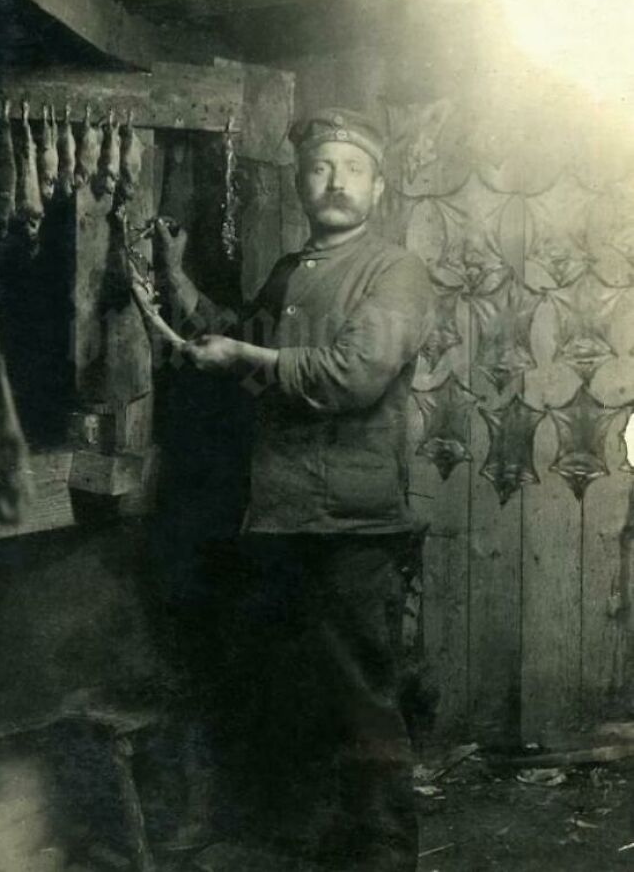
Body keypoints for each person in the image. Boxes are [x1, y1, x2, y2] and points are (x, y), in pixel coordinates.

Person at [133, 108, 434, 872]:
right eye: (321, 167)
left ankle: (388, 857)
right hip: (279, 516)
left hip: (351, 525)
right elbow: (243, 336)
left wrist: (242, 351)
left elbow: (351, 376)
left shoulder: (393, 270)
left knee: (363, 702)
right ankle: (330, 846)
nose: (335, 182)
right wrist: (178, 285)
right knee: (300, 696)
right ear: (302, 181)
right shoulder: (291, 271)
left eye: (353, 169)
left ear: (378, 185)